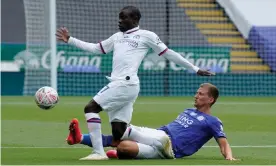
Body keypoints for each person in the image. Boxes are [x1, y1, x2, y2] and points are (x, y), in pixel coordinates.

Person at [56, 6, 214, 160]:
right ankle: (159, 142)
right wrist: (70, 40)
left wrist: (195, 68)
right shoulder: (117, 37)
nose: (120, 21)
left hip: (125, 83)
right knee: (119, 132)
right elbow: (96, 48)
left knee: (91, 108)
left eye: (124, 17)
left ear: (135, 19)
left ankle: (98, 152)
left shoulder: (147, 35)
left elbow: (169, 54)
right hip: (122, 85)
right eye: (119, 17)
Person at [67, 83, 238, 160]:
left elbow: (223, 142)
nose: (196, 95)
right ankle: (80, 138)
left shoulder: (213, 121)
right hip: (159, 143)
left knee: (125, 130)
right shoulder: (188, 111)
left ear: (211, 99)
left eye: (201, 94)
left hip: (170, 146)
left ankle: (116, 116)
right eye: (197, 92)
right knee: (123, 146)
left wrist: (229, 157)